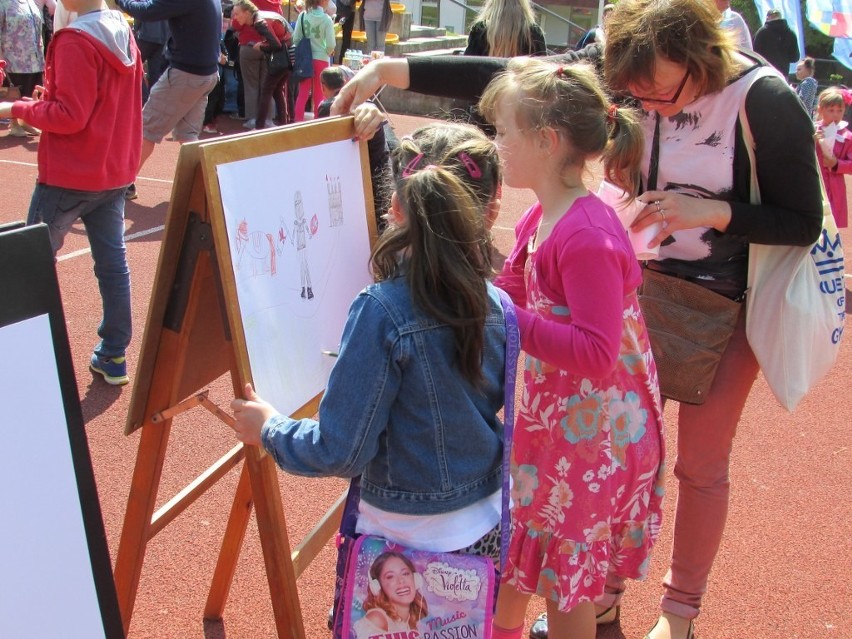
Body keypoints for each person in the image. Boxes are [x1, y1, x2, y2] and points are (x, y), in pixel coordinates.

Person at [333, 1, 825, 637]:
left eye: (656, 90)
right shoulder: (550, 212)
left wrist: (711, 213)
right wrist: (391, 71)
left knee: (664, 491)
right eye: (633, 89)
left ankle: (675, 616)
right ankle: (591, 608)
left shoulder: (756, 105)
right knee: (534, 552)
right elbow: (518, 81)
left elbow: (800, 219)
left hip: (646, 368)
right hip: (565, 411)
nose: (643, 100)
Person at [229, 122, 508, 566]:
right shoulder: (501, 305)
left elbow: (338, 450)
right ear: (492, 210)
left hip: (402, 539)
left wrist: (269, 429)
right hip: (487, 524)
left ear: (396, 207)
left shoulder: (381, 311)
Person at [474, 57, 665, 639]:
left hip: (593, 437)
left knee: (566, 581)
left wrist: (503, 317)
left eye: (504, 129)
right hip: (558, 426)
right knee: (522, 548)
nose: (497, 142)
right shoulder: (542, 213)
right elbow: (510, 285)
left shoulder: (586, 234)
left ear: (546, 139)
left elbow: (595, 350)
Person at [0, 0, 142, 385]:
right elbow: (99, 102)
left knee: (27, 265)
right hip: (112, 170)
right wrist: (48, 100)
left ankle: (20, 355)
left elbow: (70, 117)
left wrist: (17, 108)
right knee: (113, 266)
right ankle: (114, 354)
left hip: (71, 173)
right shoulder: (120, 29)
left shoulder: (74, 39)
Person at [115, 0, 221, 200]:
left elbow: (147, 12)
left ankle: (123, 184)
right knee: (187, 135)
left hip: (186, 74)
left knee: (146, 129)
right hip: (206, 73)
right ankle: (210, 184)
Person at [316, 66, 393, 228]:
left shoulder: (329, 108)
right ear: (345, 82)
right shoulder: (366, 107)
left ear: (323, 87)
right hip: (380, 179)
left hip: (365, 188)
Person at [231, 0, 292, 129]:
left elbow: (236, 25)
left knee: (252, 86)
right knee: (269, 88)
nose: (236, 15)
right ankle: (269, 120)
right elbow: (280, 22)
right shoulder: (275, 3)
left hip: (253, 46)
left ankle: (255, 120)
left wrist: (263, 45)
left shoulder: (251, 11)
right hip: (274, 50)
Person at [353, 552, 428, 639]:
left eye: (405, 573)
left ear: (416, 579)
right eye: (390, 576)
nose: (401, 581)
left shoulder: (412, 621)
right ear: (377, 586)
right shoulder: (378, 619)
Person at [0, 0, 45, 137]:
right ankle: (14, 124)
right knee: (15, 92)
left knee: (31, 90)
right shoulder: (4, 4)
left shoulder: (30, 2)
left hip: (34, 58)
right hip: (13, 58)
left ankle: (26, 121)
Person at [814, 87, 852, 228]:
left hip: (834, 187)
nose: (835, 115)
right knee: (813, 221)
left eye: (839, 110)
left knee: (831, 226)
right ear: (821, 110)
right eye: (831, 110)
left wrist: (836, 164)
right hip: (814, 183)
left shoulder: (847, 136)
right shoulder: (812, 130)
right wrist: (813, 141)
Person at [292, 0, 335, 121]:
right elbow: (331, 44)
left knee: (303, 93)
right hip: (321, 59)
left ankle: (297, 121)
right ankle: (317, 122)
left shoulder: (303, 15)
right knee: (319, 94)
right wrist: (326, 51)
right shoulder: (327, 19)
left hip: (305, 58)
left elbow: (296, 39)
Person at [463, 0, 546, 58]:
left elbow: (467, 68)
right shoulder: (534, 33)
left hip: (486, 82)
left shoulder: (480, 30)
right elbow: (542, 72)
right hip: (522, 82)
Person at [753, 8, 799, 76]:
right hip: (783, 74)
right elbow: (795, 58)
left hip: (765, 73)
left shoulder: (762, 32)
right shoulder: (791, 33)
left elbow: (755, 54)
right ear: (781, 18)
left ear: (767, 18)